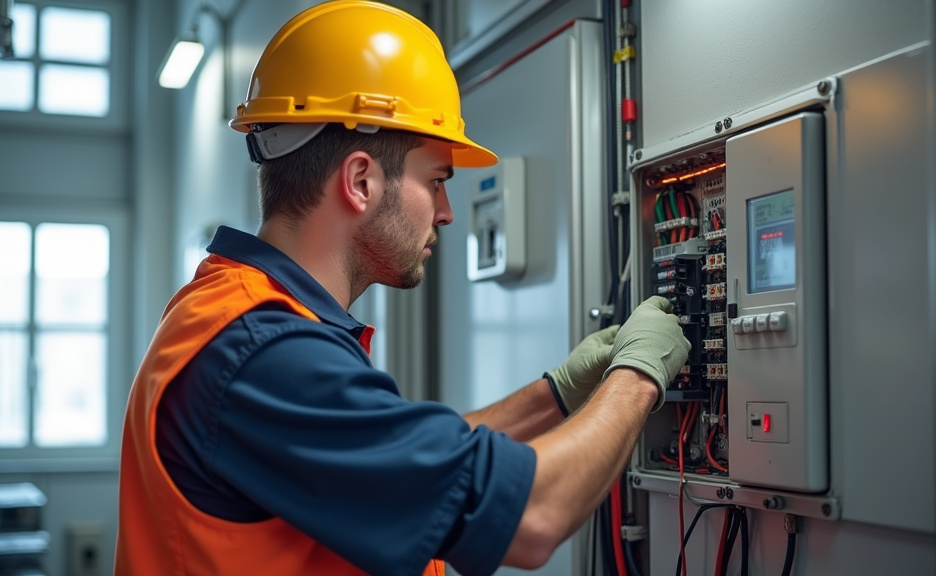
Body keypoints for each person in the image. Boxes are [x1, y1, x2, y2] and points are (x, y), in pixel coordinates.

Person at [113, 2, 691, 575]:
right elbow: (532, 517)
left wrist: (557, 394)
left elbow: (401, 462)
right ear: (361, 180)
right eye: (436, 181)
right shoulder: (264, 350)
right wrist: (638, 376)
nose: (446, 213)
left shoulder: (246, 319)